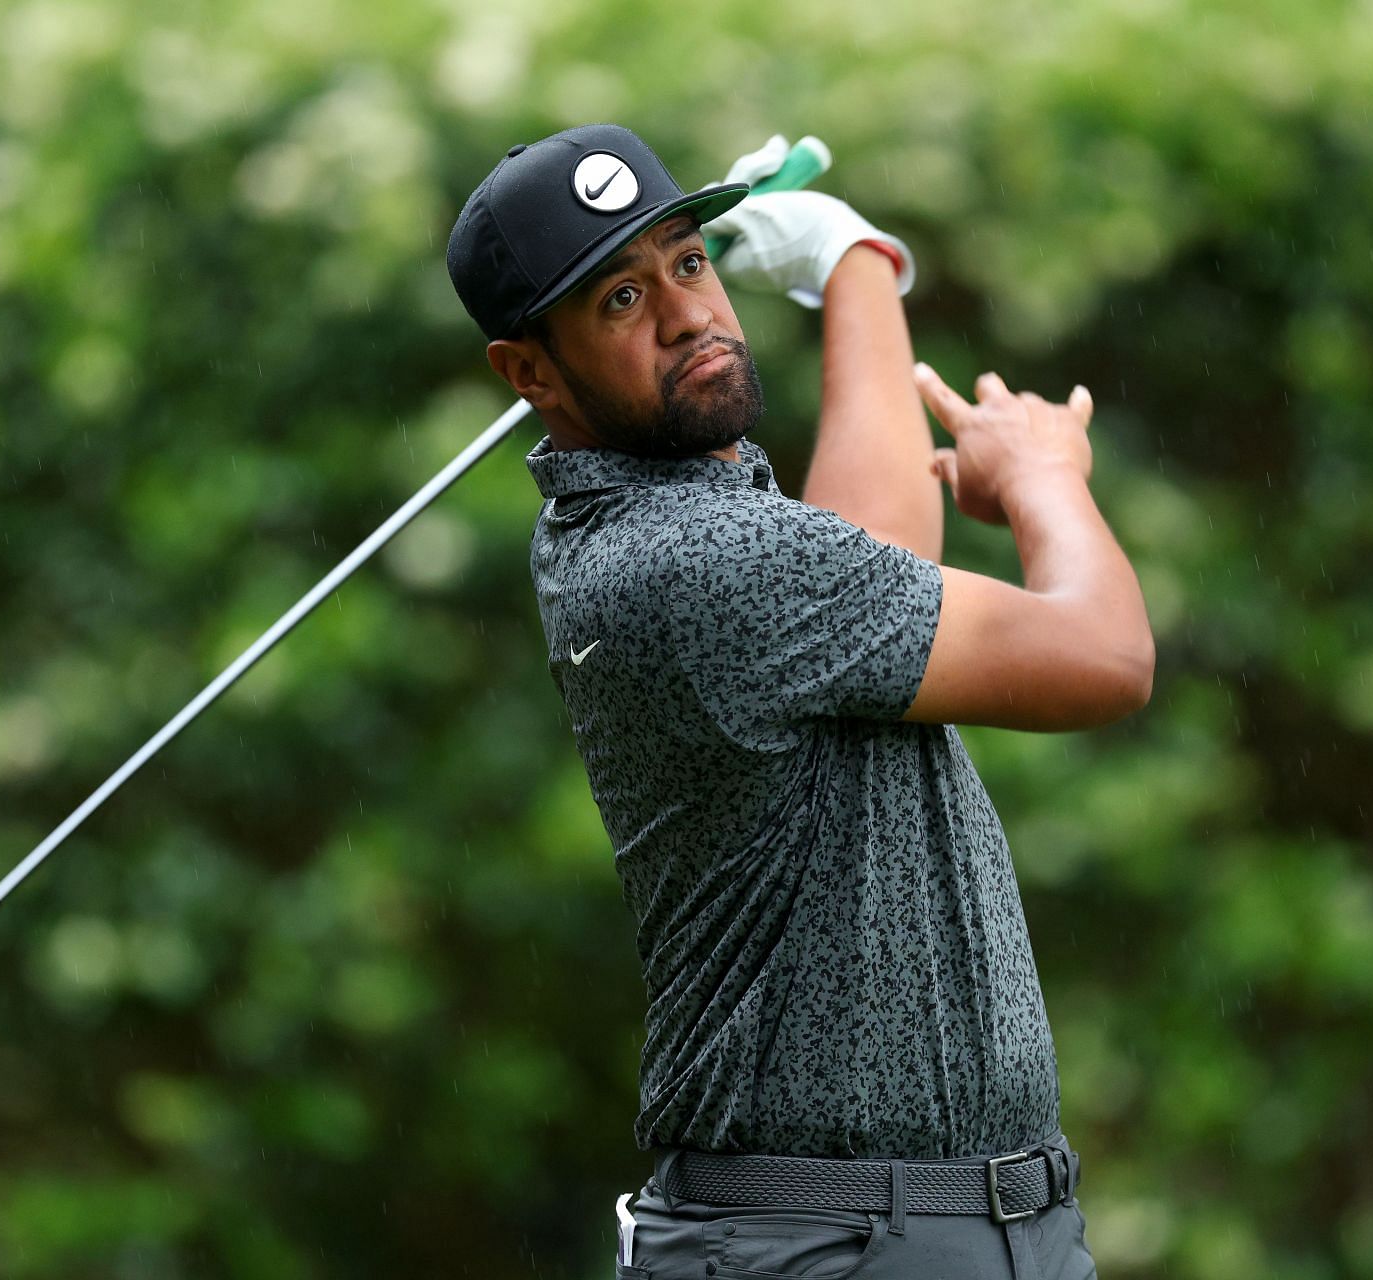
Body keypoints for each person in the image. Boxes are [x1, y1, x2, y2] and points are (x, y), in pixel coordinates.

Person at [446, 123, 1152, 1280]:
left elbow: (863, 552)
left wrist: (850, 264)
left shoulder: (670, 533)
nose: (687, 315)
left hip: (923, 1231)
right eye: (621, 300)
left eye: (687, 261)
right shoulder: (687, 557)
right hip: (827, 1243)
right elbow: (1105, 654)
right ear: (530, 372)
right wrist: (1041, 480)